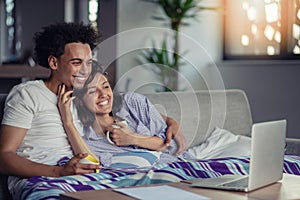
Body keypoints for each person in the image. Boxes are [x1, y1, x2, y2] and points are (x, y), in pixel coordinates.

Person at [0, 22, 186, 181]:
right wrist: (58, 172)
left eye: (88, 63)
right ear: (54, 63)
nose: (85, 71)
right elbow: (4, 156)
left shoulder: (83, 99)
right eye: (76, 62)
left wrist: (170, 121)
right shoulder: (28, 94)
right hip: (44, 175)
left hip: (83, 171)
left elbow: (122, 108)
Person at [58, 64, 194, 167]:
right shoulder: (87, 137)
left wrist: (131, 138)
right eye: (93, 91)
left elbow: (170, 145)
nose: (103, 94)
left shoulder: (132, 103)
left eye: (106, 87)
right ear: (80, 100)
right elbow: (91, 164)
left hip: (180, 165)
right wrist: (68, 122)